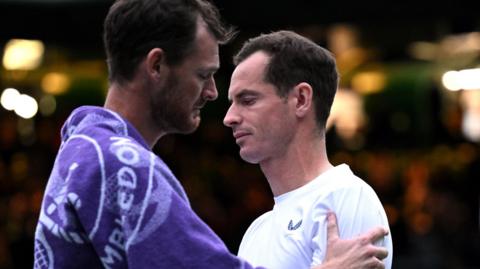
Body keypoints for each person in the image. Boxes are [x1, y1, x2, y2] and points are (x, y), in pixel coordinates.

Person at [33, 0, 389, 268]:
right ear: (156, 65)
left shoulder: (83, 153)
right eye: (203, 74)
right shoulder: (123, 165)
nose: (213, 95)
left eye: (248, 99)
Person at [223, 30, 393, 269]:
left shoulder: (346, 197)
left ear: (301, 99)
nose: (229, 118)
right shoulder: (255, 232)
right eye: (232, 103)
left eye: (248, 100)